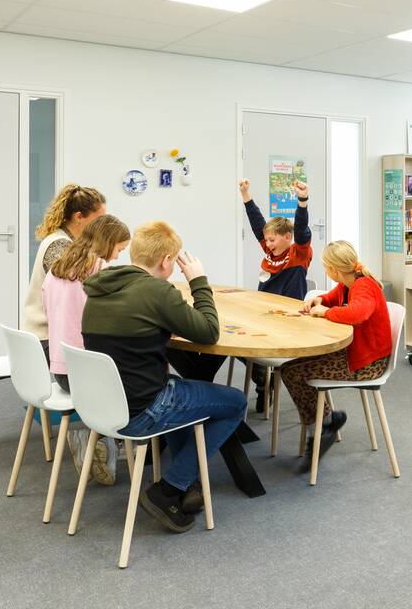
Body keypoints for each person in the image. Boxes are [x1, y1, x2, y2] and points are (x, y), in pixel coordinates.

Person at [81, 221, 247, 532]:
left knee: (177, 389)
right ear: (167, 261)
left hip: (102, 408)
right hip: (143, 411)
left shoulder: (99, 287)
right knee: (235, 402)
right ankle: (170, 487)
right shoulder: (158, 292)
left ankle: (187, 483)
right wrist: (198, 281)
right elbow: (209, 332)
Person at [167, 177, 313, 412]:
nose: (268, 244)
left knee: (235, 342)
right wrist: (246, 196)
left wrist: (302, 200)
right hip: (263, 311)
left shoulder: (299, 253)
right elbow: (257, 224)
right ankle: (260, 377)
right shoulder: (271, 251)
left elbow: (303, 229)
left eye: (273, 239)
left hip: (287, 316)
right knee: (232, 339)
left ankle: (260, 381)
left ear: (287, 237)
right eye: (266, 240)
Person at [280, 241, 391, 472]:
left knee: (292, 371)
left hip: (368, 364)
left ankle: (320, 429)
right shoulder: (347, 283)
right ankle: (326, 422)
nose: (325, 270)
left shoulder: (364, 286)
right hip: (354, 354)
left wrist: (327, 312)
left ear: (335, 269)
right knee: (291, 368)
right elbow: (331, 297)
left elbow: (357, 314)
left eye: (325, 266)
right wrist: (319, 301)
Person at [43, 214, 130, 486]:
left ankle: (107, 439)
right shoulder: (100, 271)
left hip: (60, 371)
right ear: (108, 244)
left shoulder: (56, 269)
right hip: (86, 377)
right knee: (145, 375)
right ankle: (104, 438)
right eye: (118, 250)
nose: (117, 257)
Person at [23, 183, 106, 359]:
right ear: (79, 217)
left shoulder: (68, 241)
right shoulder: (60, 245)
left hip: (49, 332)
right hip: (46, 337)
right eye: (98, 220)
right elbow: (79, 291)